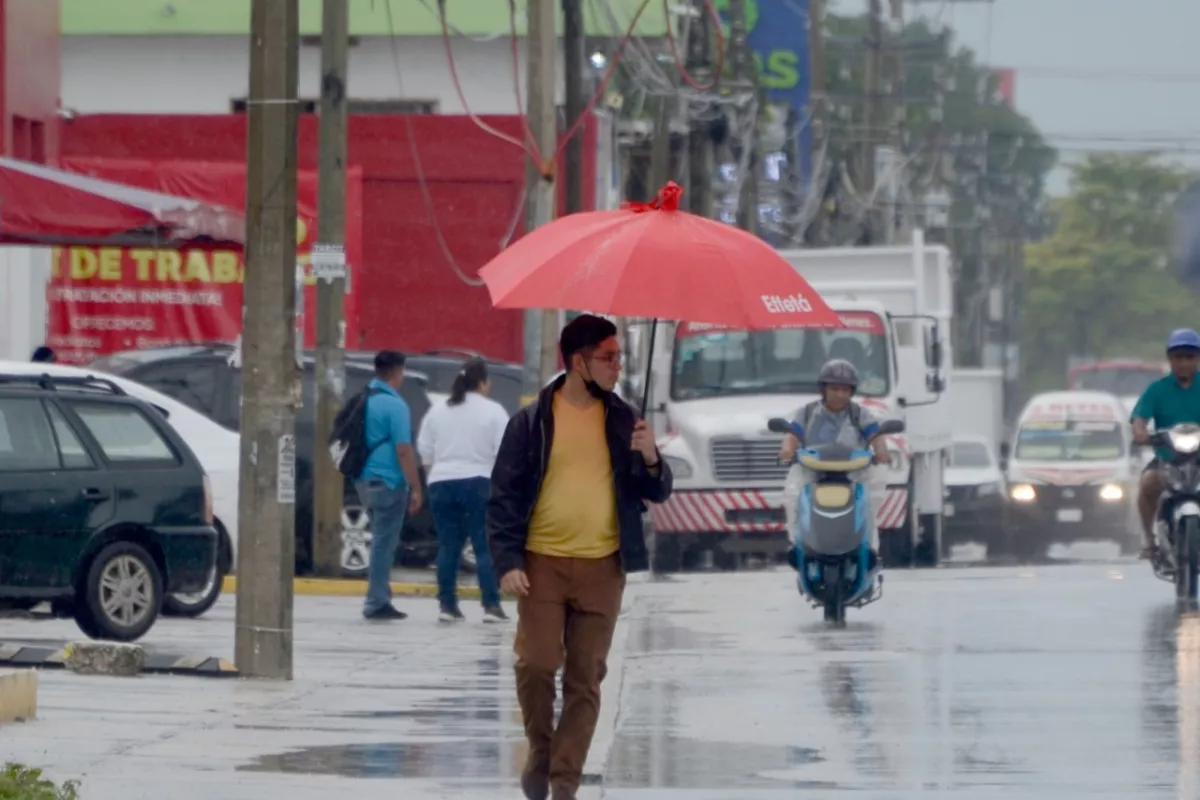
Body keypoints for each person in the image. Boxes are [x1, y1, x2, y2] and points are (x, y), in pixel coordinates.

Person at [487, 314, 673, 800]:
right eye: (608, 357)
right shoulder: (531, 423)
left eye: (620, 357)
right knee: (536, 663)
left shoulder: (622, 419)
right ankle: (541, 750)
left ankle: (564, 782)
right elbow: (503, 496)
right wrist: (508, 561)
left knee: (585, 678)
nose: (617, 367)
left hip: (603, 567)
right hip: (542, 564)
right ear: (578, 361)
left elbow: (653, 490)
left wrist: (651, 456)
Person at [417, 357, 510, 623]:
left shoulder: (437, 411)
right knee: (484, 545)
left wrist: (432, 481)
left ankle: (447, 605)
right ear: (482, 382)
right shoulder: (493, 411)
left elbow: (425, 453)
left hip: (441, 482)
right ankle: (491, 604)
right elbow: (504, 452)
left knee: (448, 546)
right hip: (478, 482)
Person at [778, 359, 890, 567]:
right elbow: (793, 434)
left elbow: (875, 435)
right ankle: (798, 545)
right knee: (793, 494)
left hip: (853, 471)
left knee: (869, 503)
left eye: (845, 390)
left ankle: (870, 550)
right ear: (823, 389)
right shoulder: (808, 412)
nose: (840, 394)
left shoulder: (859, 413)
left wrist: (882, 452)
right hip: (813, 470)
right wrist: (787, 449)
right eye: (835, 388)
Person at [355, 350, 422, 620]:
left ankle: (380, 595)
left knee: (379, 541)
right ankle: (376, 601)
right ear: (397, 371)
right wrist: (416, 486)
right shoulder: (395, 405)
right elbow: (404, 451)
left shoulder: (364, 398)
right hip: (388, 481)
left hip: (364, 480)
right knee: (384, 544)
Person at [1131, 328, 1200, 560]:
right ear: (1170, 359)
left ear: (1197, 359)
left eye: (1190, 357)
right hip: (1167, 457)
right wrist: (1140, 432)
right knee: (1147, 483)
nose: (1184, 362)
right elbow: (1139, 417)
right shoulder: (1157, 390)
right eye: (1178, 357)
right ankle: (1149, 538)